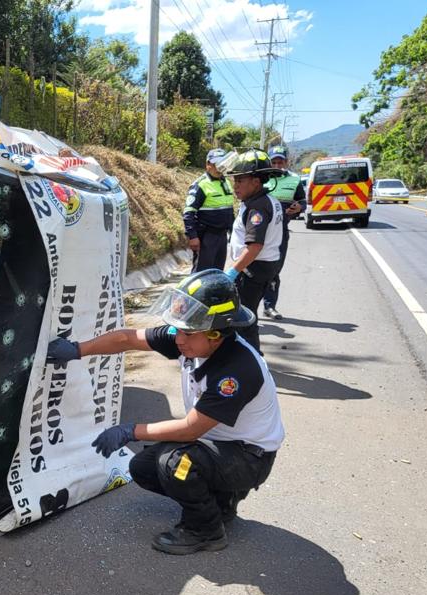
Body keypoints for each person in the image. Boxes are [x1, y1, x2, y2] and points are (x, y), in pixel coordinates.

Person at [45, 269, 283, 554]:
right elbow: (127, 339)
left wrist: (130, 431)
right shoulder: (190, 338)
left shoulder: (236, 370)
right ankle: (221, 503)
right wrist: (77, 350)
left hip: (249, 457)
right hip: (219, 445)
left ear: (216, 334)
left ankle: (205, 531)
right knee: (144, 468)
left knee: (177, 463)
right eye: (178, 330)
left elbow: (191, 429)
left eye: (187, 333)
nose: (178, 339)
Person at [216, 149, 284, 352]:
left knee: (243, 319)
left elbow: (255, 246)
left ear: (256, 182)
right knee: (244, 316)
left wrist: (232, 272)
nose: (235, 186)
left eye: (240, 181)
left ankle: (252, 359)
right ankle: (250, 356)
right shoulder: (264, 201)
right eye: (234, 180)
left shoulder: (258, 208)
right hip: (261, 267)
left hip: (252, 269)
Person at [261, 145, 305, 320]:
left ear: (286, 162)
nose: (277, 165)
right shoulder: (261, 178)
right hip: (258, 232)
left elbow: (302, 200)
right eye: (274, 162)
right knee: (250, 270)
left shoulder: (294, 179)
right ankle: (247, 307)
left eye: (281, 162)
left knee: (274, 270)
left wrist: (299, 207)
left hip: (280, 233)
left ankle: (269, 306)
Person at [182, 148, 235, 272]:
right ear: (208, 165)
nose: (218, 167)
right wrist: (193, 236)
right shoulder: (200, 185)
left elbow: (229, 210)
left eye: (221, 164)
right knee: (201, 274)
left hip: (222, 236)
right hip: (206, 237)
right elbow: (188, 213)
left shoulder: (226, 182)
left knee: (217, 273)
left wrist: (233, 231)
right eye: (215, 164)